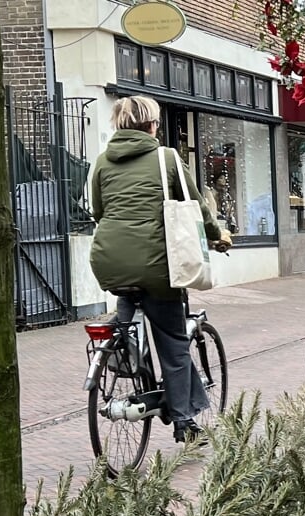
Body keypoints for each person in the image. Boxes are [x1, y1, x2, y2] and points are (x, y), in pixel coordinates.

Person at [87, 95, 231, 442]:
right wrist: (218, 235)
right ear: (152, 125)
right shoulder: (166, 157)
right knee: (173, 343)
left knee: (128, 323)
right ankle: (183, 421)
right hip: (157, 264)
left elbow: (97, 210)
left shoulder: (102, 161)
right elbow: (195, 205)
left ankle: (128, 362)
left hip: (109, 260)